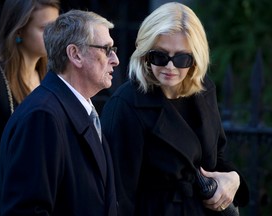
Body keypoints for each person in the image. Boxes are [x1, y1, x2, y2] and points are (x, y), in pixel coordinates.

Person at [101, 2, 249, 216]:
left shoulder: (203, 89)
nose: (170, 67)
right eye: (159, 56)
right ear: (145, 53)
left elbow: (217, 158)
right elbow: (118, 197)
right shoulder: (125, 104)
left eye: (181, 58)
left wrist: (234, 179)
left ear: (195, 58)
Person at [0, 8, 119, 216]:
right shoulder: (42, 116)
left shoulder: (74, 107)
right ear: (75, 55)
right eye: (106, 49)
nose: (115, 59)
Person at [0, 0, 60, 189]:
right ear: (18, 30)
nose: (55, 37)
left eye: (57, 28)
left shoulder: (50, 79)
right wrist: (3, 172)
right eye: (45, 29)